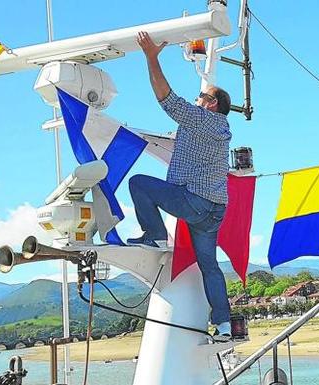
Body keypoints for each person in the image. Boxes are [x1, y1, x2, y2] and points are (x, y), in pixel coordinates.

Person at [128, 31, 233, 342]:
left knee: (139, 184)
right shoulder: (220, 128)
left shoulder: (202, 119)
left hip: (195, 202)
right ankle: (224, 326)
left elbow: (166, 98)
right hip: (214, 210)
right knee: (210, 267)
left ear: (211, 104)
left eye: (201, 97)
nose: (196, 99)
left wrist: (151, 58)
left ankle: (156, 235)